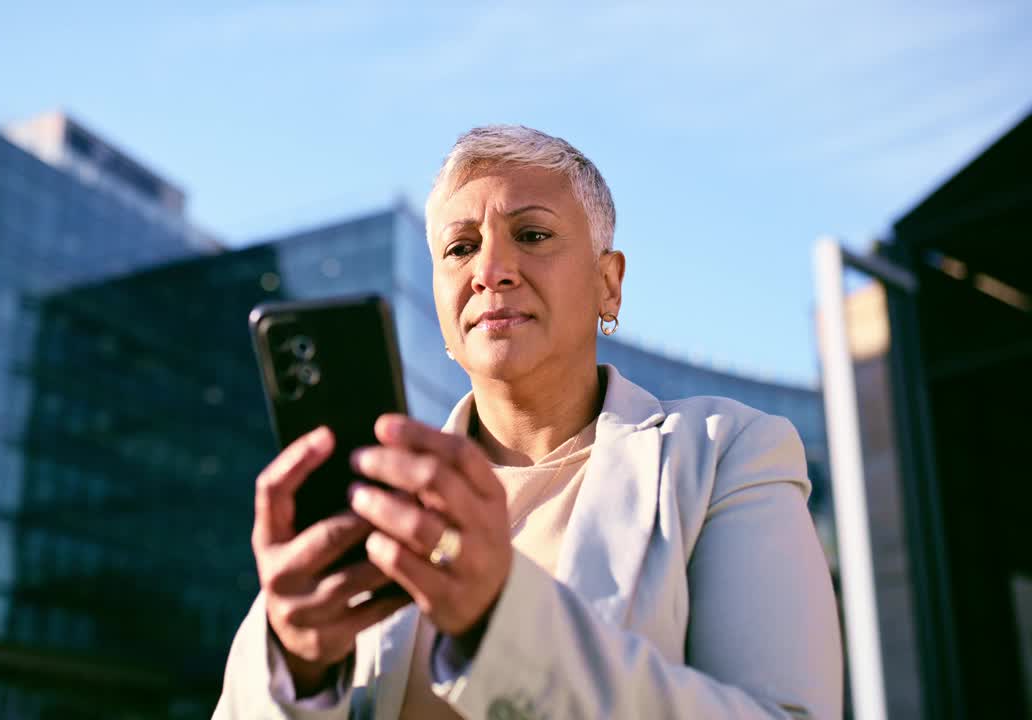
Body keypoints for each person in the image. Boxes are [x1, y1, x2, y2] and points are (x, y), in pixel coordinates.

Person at [215, 125, 842, 719]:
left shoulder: (727, 455)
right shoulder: (371, 494)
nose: (490, 271)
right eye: (460, 248)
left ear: (609, 284)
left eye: (533, 235)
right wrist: (294, 666)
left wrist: (499, 623)